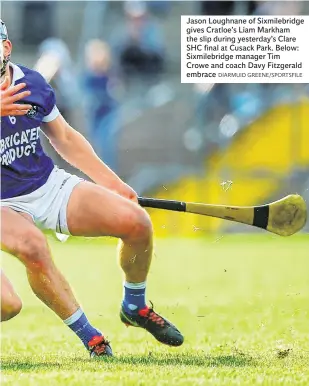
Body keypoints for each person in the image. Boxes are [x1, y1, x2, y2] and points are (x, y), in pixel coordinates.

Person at [0, 19, 183, 357]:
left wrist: (114, 183)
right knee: (22, 272)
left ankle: (135, 306)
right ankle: (91, 337)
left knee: (137, 223)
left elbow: (65, 138)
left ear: (6, 48)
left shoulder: (32, 84)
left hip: (45, 184)